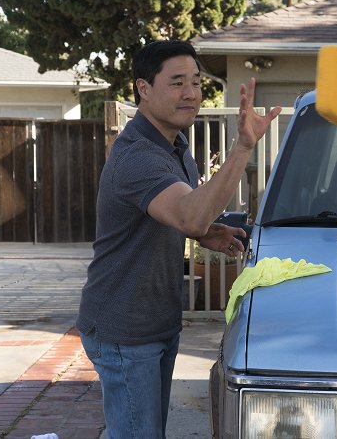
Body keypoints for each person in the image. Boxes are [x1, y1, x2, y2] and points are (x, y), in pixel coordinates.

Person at [76, 40, 281, 438]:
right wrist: (243, 146)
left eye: (196, 81)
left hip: (157, 321)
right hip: (124, 330)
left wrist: (207, 233)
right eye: (176, 82)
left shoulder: (176, 145)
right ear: (144, 89)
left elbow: (176, 213)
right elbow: (188, 215)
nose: (190, 93)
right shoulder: (137, 155)